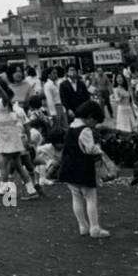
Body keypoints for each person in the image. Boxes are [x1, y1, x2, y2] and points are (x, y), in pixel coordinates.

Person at [57, 99, 110, 239]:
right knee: (91, 198)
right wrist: (100, 151)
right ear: (90, 117)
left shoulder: (72, 126)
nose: (94, 125)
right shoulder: (85, 130)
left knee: (76, 197)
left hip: (69, 167)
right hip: (83, 168)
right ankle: (95, 228)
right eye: (95, 121)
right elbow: (89, 149)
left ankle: (83, 226)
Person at [0, 81, 39, 203]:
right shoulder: (2, 107)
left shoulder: (4, 105)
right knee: (17, 166)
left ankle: (4, 191)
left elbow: (26, 125)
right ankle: (31, 190)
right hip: (14, 140)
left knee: (5, 165)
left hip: (11, 141)